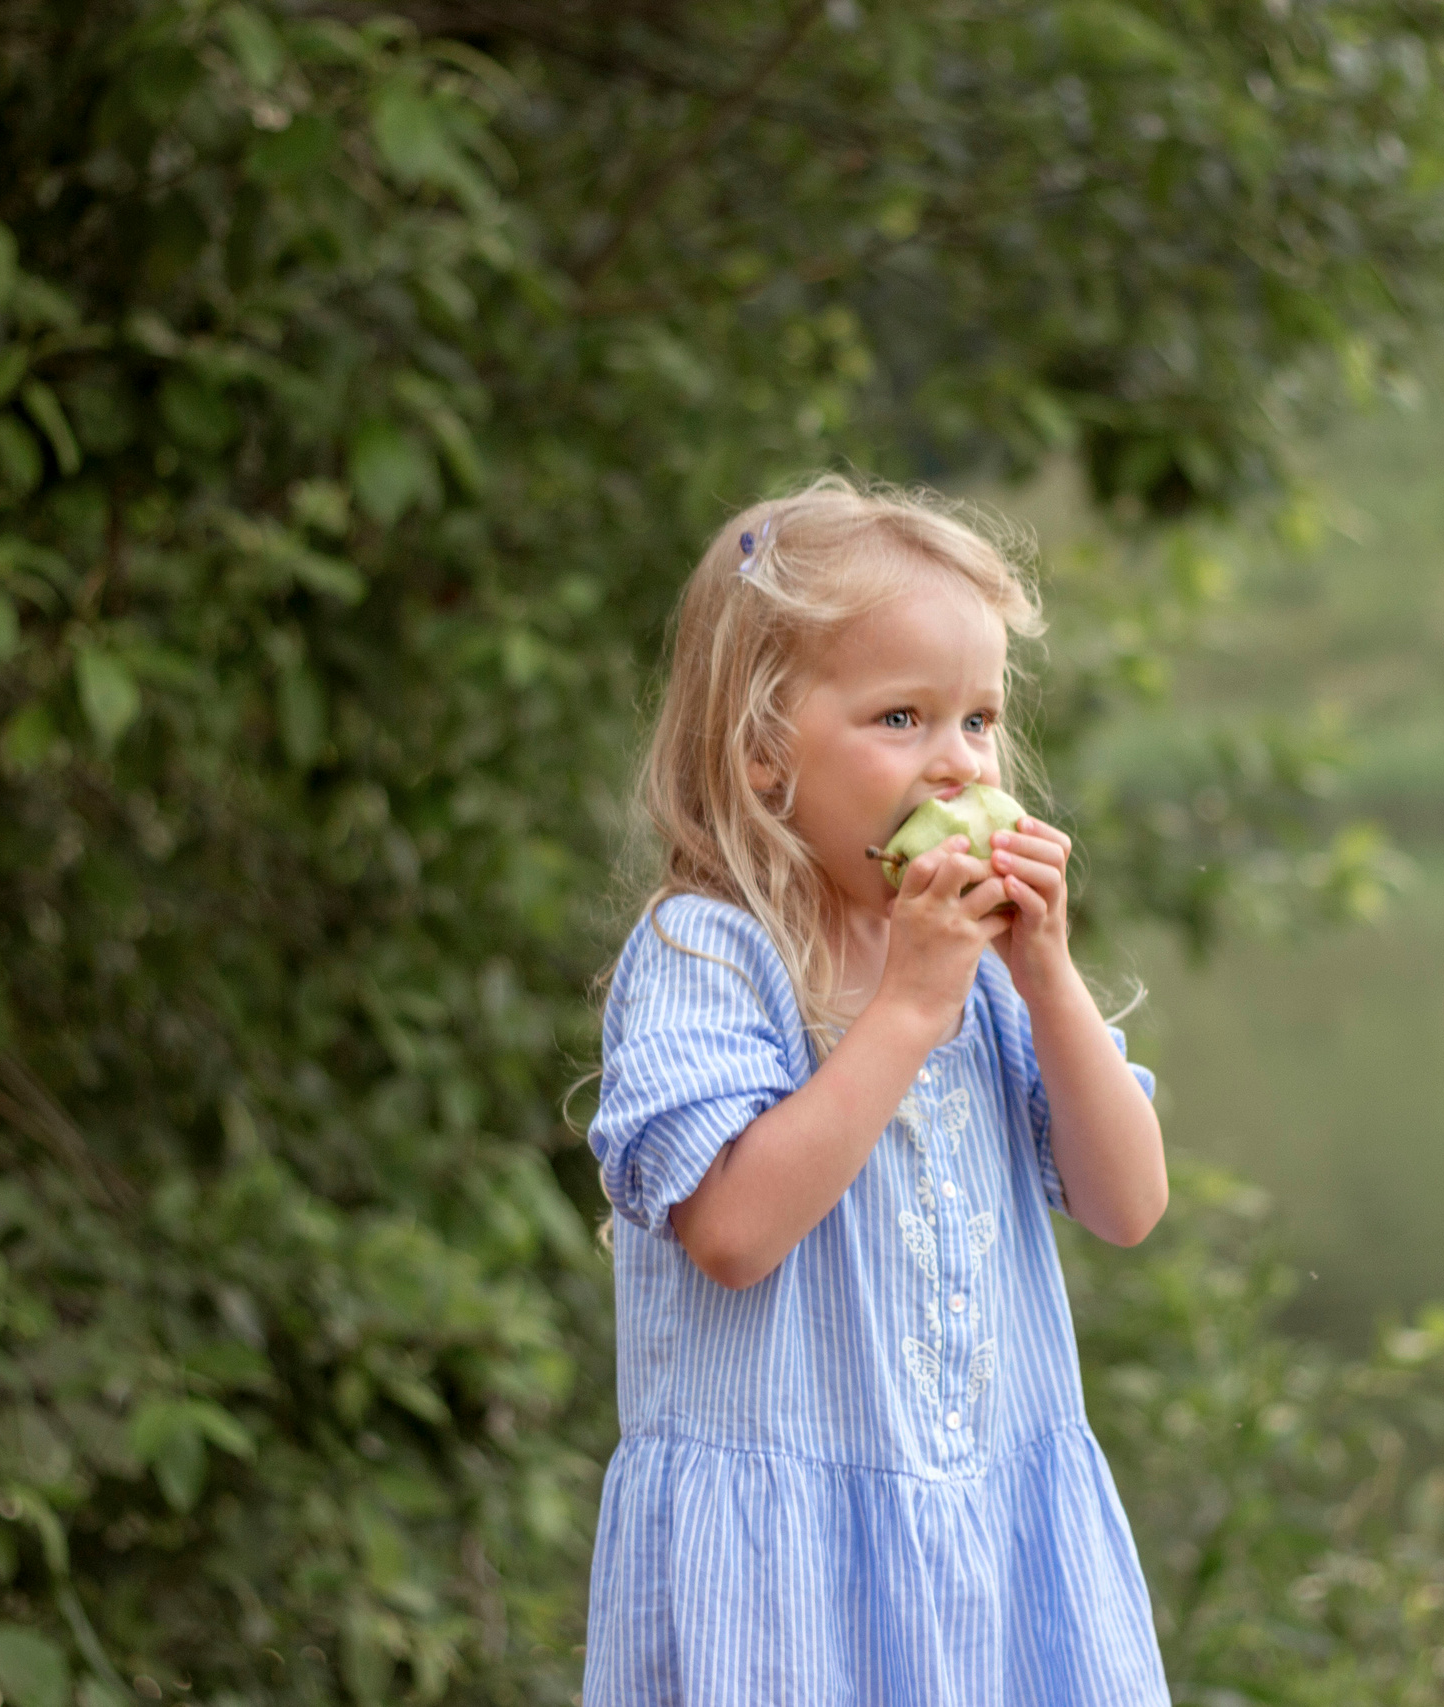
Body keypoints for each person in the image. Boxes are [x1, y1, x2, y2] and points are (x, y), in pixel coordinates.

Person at [582, 476, 1173, 1706]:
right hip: (789, 1580)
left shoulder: (995, 978)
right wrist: (907, 1008)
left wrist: (1050, 977)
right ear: (757, 756)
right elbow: (733, 1234)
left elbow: (1128, 1203)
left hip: (997, 1547)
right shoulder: (709, 952)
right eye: (901, 718)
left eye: (977, 720)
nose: (956, 764)